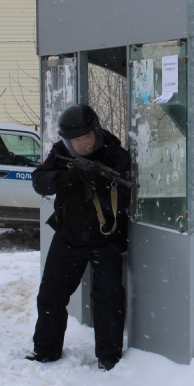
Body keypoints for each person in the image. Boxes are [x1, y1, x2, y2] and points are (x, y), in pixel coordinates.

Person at [29, 104, 132, 370]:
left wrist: (102, 186)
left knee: (109, 300)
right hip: (69, 235)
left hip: (104, 238)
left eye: (87, 137)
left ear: (96, 132)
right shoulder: (61, 153)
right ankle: (46, 351)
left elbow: (126, 198)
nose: (83, 144)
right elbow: (39, 179)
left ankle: (109, 358)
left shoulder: (114, 153)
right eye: (76, 140)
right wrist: (65, 179)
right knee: (51, 295)